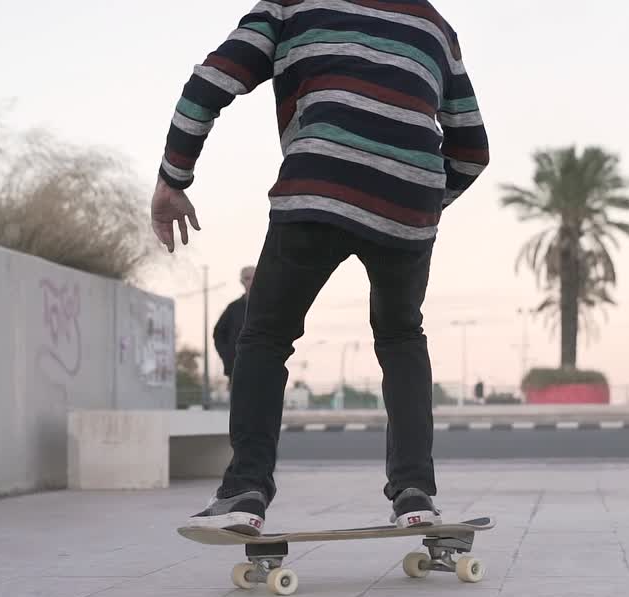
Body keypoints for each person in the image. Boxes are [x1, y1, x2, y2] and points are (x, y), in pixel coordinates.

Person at [151, 0, 489, 534]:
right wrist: (420, 201)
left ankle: (244, 491)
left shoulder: (291, 4)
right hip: (411, 199)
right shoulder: (432, 23)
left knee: (263, 337)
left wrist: (174, 178)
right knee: (402, 339)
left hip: (320, 181)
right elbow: (472, 152)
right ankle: (414, 493)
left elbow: (211, 81)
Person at [213, 265, 256, 389]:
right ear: (242, 281)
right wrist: (228, 357)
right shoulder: (233, 308)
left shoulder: (270, 305)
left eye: (254, 277)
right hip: (237, 369)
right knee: (239, 407)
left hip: (265, 367)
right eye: (248, 278)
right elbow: (218, 334)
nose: (251, 282)